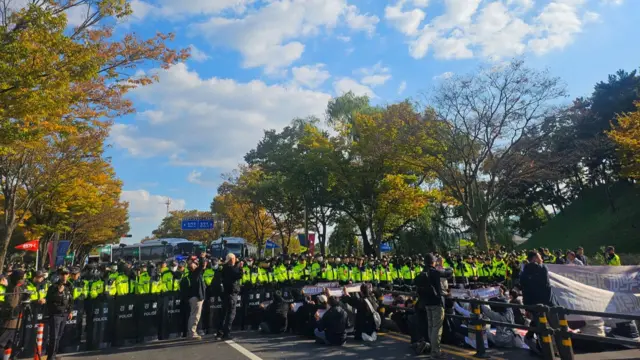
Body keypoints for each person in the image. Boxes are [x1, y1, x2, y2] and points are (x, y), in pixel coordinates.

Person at [414, 254, 451, 359]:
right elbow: (448, 273)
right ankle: (435, 352)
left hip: (426, 303)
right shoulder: (434, 272)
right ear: (433, 262)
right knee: (437, 328)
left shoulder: (422, 273)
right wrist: (442, 265)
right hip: (436, 302)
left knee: (431, 326)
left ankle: (433, 348)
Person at [46, 268, 73, 360]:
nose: (64, 276)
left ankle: (54, 355)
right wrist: (59, 292)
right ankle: (51, 357)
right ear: (59, 275)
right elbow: (49, 300)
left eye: (66, 274)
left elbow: (70, 300)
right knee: (54, 337)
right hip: (56, 314)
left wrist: (70, 311)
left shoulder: (69, 286)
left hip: (64, 314)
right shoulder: (53, 287)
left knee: (59, 336)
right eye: (62, 274)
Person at [0, 271, 29, 357]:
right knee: (2, 343)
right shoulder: (11, 287)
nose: (23, 280)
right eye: (21, 278)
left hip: (16, 320)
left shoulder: (19, 288)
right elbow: (11, 303)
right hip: (8, 321)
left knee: (9, 344)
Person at [217, 253, 243, 340]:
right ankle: (226, 333)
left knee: (223, 313)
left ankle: (219, 332)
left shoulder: (223, 268)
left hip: (225, 293)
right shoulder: (231, 269)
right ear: (232, 260)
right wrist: (240, 267)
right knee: (231, 314)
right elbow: (239, 275)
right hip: (231, 293)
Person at [185, 253, 207, 340]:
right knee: (195, 315)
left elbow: (202, 266)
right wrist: (202, 257)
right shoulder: (194, 273)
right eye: (194, 263)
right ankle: (192, 332)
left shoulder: (194, 273)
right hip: (196, 297)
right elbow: (201, 265)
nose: (196, 264)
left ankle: (191, 331)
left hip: (195, 297)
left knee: (193, 315)